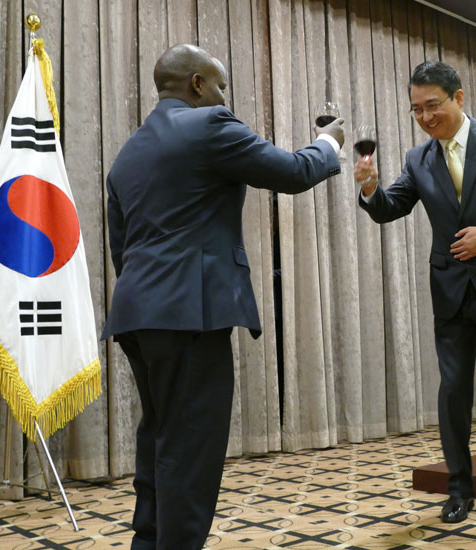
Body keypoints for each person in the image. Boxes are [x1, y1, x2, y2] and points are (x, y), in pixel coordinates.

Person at [101, 44, 344, 550]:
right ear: (196, 84)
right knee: (191, 448)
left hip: (137, 315)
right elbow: (294, 172)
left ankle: (148, 543)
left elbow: (120, 248)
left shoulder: (128, 153)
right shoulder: (209, 124)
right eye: (220, 85)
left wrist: (154, 299)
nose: (223, 96)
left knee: (160, 438)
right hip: (191, 313)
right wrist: (328, 143)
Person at [354, 61, 476, 536]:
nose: (424, 117)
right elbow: (391, 207)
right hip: (452, 294)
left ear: (458, 99)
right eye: (415, 109)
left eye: (432, 106)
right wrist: (368, 186)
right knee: (452, 396)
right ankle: (459, 491)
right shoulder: (418, 159)